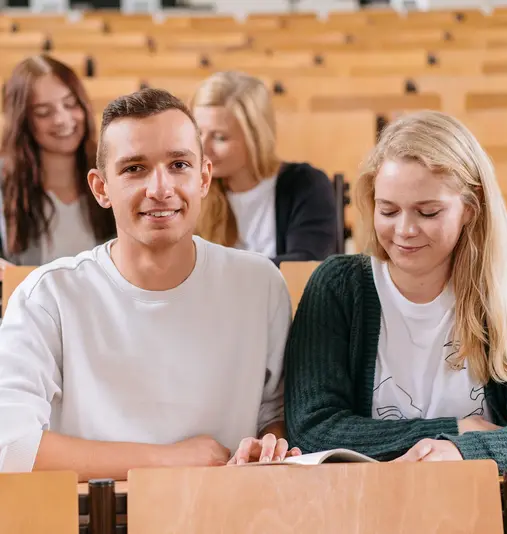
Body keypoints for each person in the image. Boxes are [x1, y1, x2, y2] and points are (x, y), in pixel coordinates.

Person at [0, 88, 298, 481]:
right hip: (98, 519)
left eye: (178, 164)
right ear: (100, 188)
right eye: (134, 168)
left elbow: (275, 416)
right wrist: (171, 460)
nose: (160, 189)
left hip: (228, 513)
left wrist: (267, 443)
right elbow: (10, 446)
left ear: (204, 177)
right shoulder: (48, 296)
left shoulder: (261, 284)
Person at [284, 110, 507, 472]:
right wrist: (455, 432)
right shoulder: (338, 286)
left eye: (427, 212)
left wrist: (466, 451)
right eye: (388, 211)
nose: (405, 230)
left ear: (470, 207)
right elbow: (312, 429)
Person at [191, 71, 337, 266]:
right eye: (198, 133)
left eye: (220, 137)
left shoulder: (306, 184)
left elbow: (303, 267)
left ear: (255, 139)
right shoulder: (190, 187)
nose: (204, 148)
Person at [0, 55, 115, 276]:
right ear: (23, 120)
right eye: (44, 112)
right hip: (30, 307)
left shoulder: (111, 171)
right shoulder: (4, 182)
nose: (62, 119)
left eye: (70, 104)